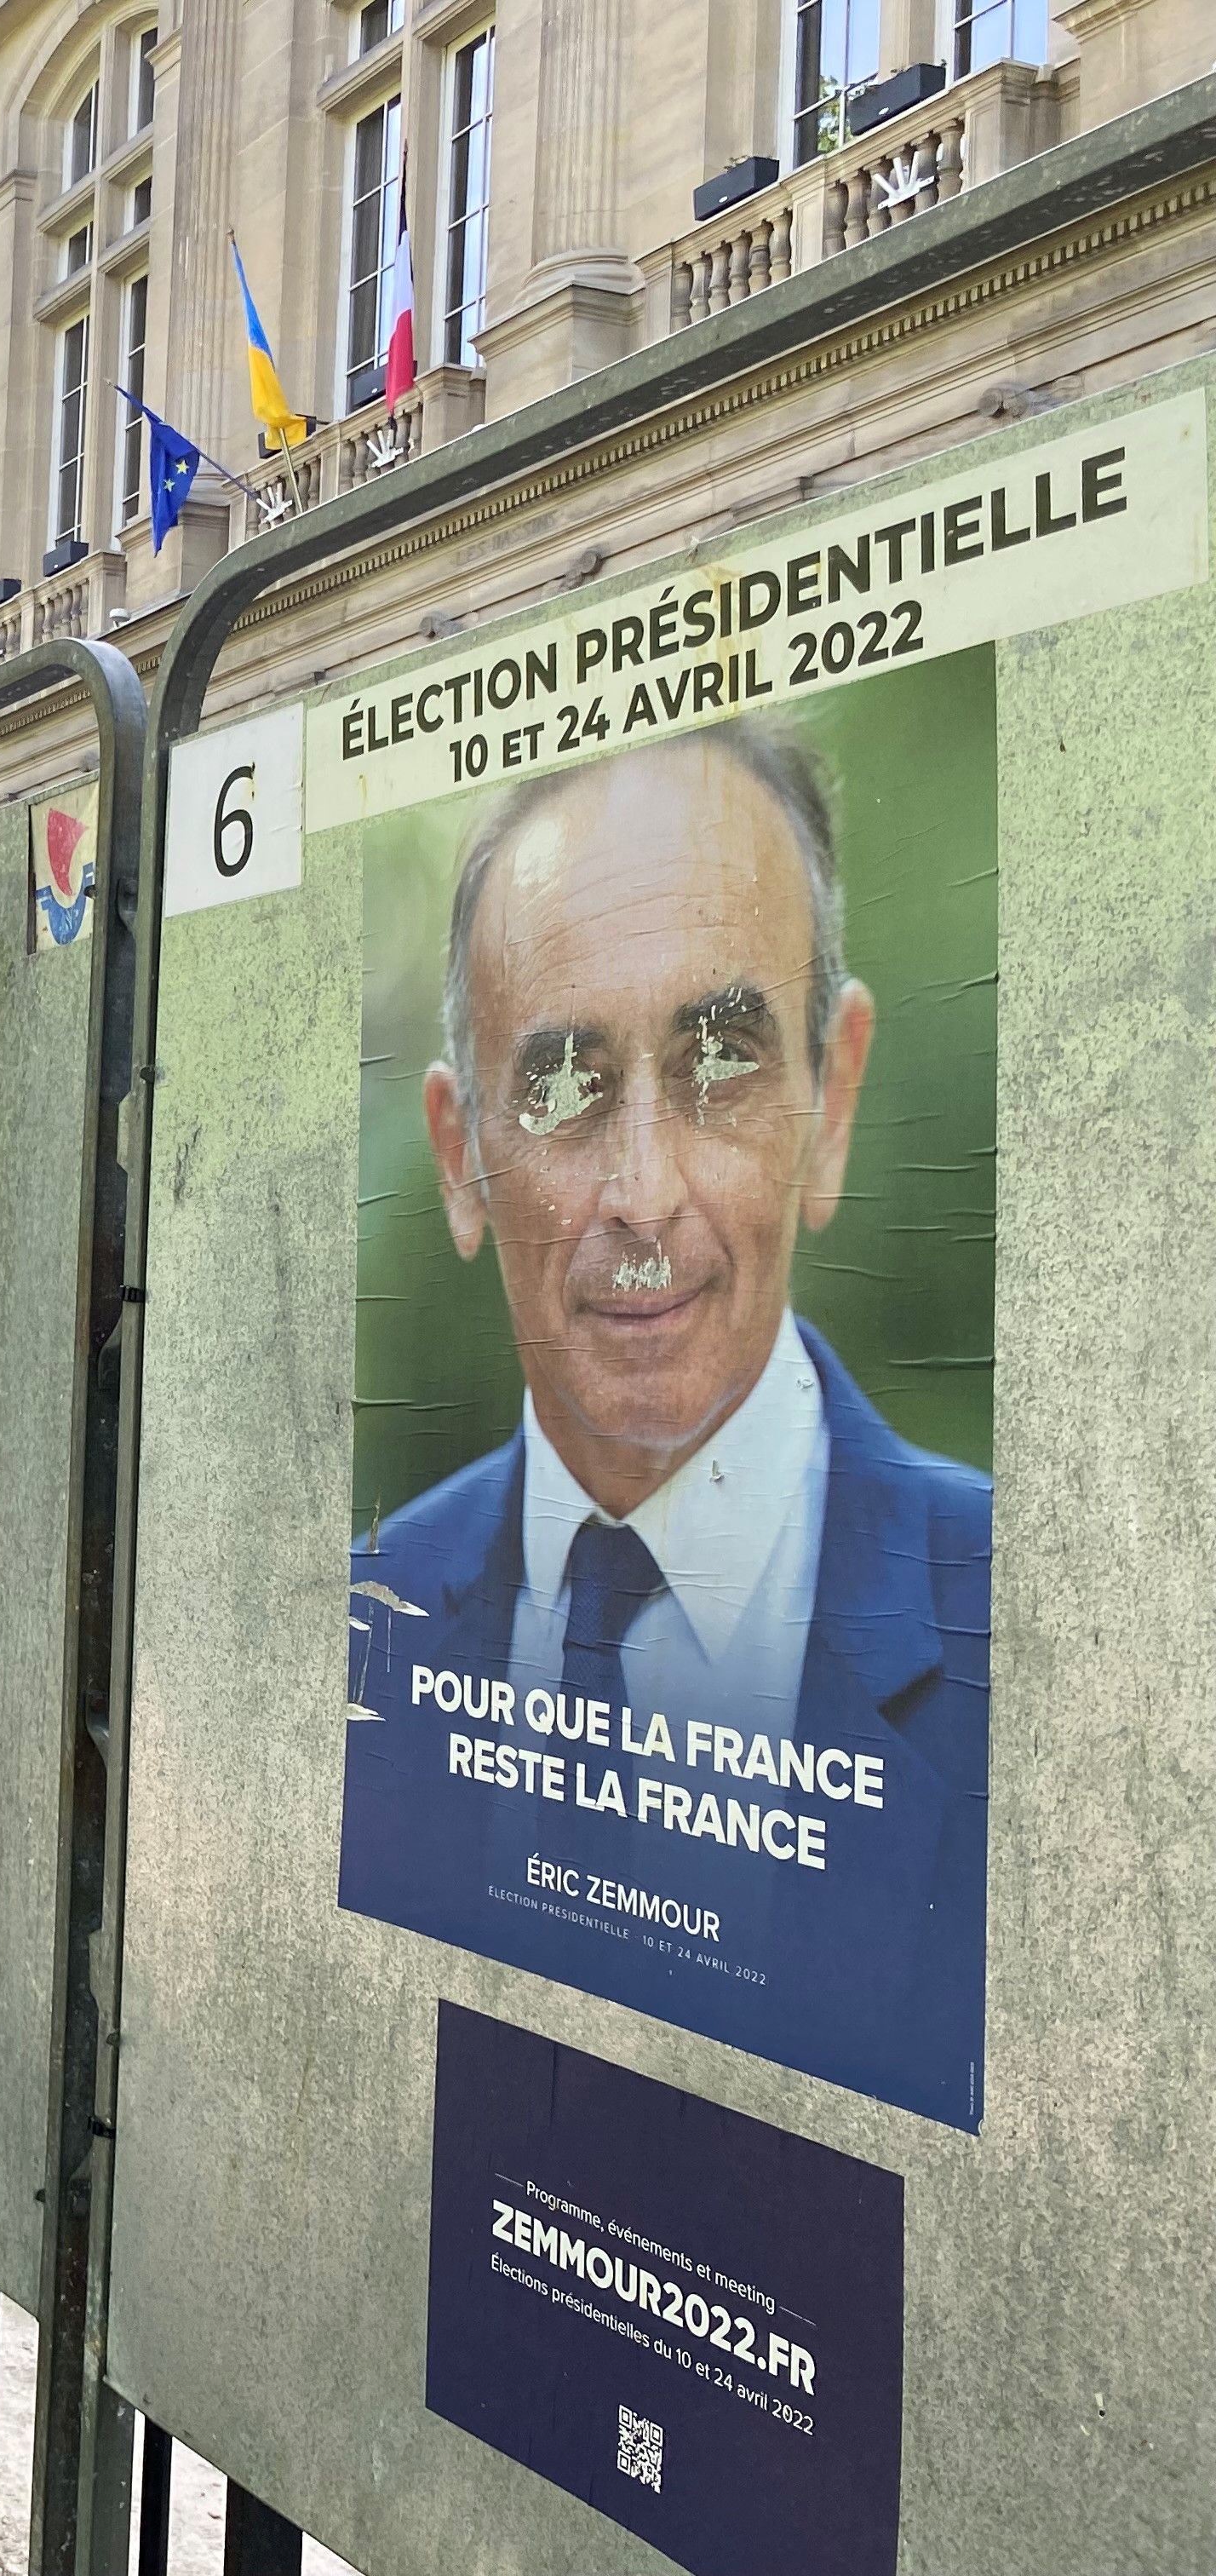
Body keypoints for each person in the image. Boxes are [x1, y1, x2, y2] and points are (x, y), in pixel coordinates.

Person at [345, 723, 989, 2077]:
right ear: (462, 1161)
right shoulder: (362, 1622)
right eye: (566, 1085)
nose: (642, 1192)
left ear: (836, 1098)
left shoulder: (1034, 1638)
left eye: (720, 1063)